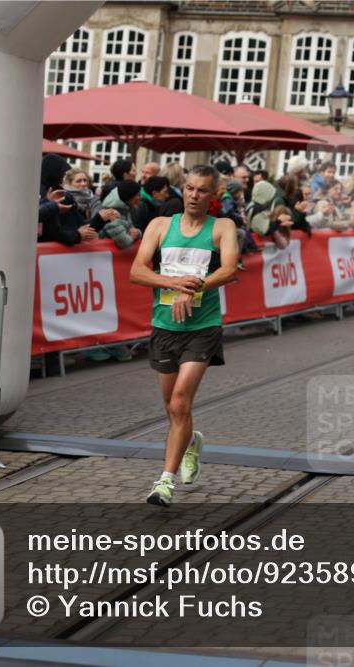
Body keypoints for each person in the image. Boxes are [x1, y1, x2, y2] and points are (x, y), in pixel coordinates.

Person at [129, 164, 239, 507]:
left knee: (179, 402)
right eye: (189, 188)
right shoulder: (160, 225)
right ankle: (190, 442)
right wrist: (173, 283)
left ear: (213, 195)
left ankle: (165, 482)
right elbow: (137, 271)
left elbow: (230, 269)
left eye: (202, 190)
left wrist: (194, 289)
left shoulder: (222, 226)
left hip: (202, 327)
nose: (193, 195)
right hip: (164, 327)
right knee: (173, 409)